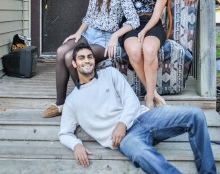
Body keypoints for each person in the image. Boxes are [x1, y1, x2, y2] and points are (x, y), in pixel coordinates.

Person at [59, 43, 216, 173]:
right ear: (74, 63)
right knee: (141, 154)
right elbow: (64, 133)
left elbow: (131, 100)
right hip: (126, 139)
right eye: (81, 58)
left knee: (195, 114)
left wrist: (122, 123)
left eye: (90, 57)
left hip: (144, 118)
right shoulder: (72, 101)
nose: (87, 61)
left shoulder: (110, 74)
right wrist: (76, 145)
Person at [41, 0, 140, 118]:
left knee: (69, 57)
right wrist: (78, 33)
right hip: (89, 32)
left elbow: (133, 20)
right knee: (60, 52)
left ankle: (86, 99)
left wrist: (115, 36)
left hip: (105, 38)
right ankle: (60, 104)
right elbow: (89, 15)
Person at [122, 0, 169, 109]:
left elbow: (157, 14)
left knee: (149, 50)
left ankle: (148, 100)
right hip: (130, 24)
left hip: (152, 24)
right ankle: (153, 93)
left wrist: (145, 31)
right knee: (134, 50)